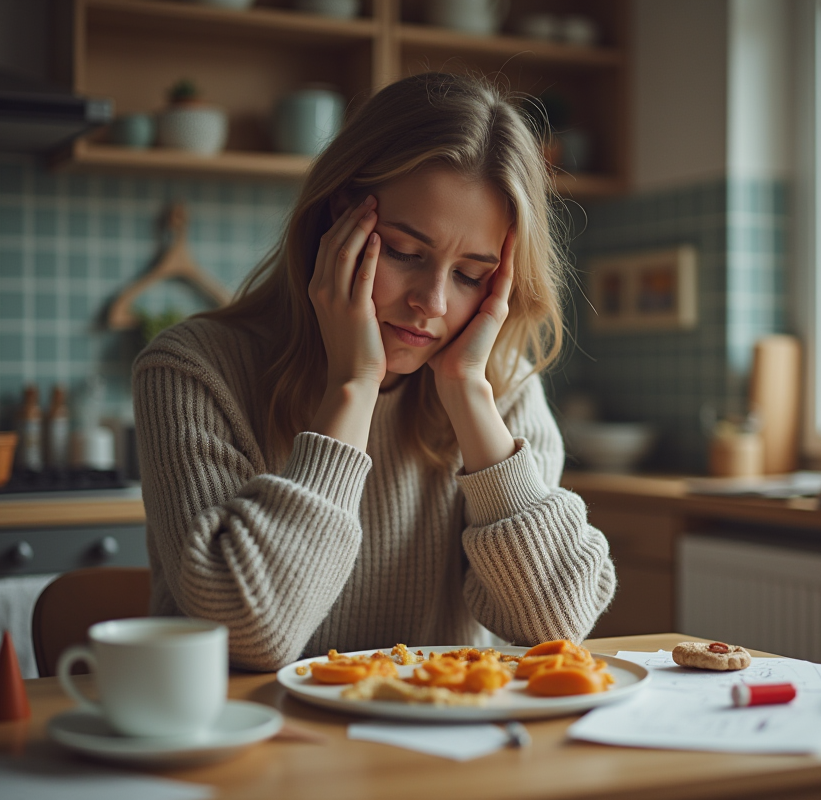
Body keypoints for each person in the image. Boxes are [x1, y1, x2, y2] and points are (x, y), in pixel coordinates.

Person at [133, 72, 617, 671]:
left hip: (447, 752)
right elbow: (246, 631)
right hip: (251, 752)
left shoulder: (500, 383)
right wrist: (353, 386)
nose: (433, 302)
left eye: (470, 274)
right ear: (340, 220)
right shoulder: (194, 368)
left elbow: (557, 624)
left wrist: (469, 397)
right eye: (406, 253)